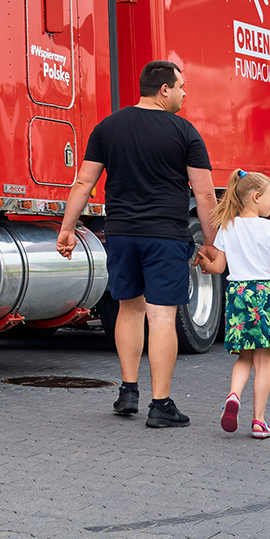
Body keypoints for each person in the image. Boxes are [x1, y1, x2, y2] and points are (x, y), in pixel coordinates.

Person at [57, 60, 216, 429]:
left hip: (122, 234)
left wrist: (67, 229)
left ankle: (128, 391)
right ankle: (161, 406)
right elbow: (205, 194)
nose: (184, 93)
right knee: (161, 314)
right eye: (181, 87)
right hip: (165, 236)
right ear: (164, 90)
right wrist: (211, 243)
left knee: (129, 309)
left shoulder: (108, 127)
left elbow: (83, 183)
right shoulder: (185, 132)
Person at [192, 170, 270, 439]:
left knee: (244, 357)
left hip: (237, 294)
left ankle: (233, 395)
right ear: (255, 197)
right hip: (264, 295)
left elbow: (218, 267)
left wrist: (203, 263)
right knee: (263, 361)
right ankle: (258, 422)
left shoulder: (228, 226)